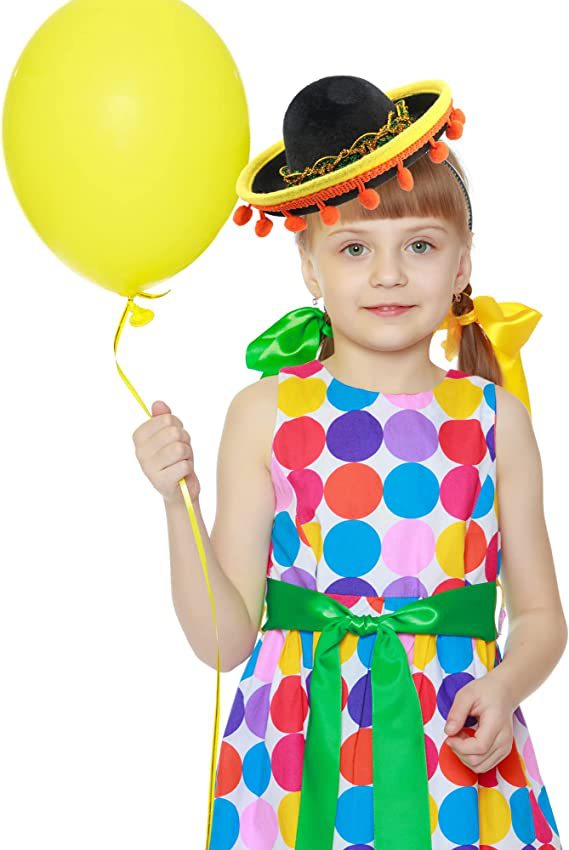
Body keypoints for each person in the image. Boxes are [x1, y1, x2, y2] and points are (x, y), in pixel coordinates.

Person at [132, 75, 566, 850]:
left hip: (454, 756)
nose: (388, 274)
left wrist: (502, 687)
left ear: (461, 265)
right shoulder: (264, 413)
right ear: (309, 266)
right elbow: (224, 642)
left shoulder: (496, 419)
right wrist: (176, 503)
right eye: (354, 248)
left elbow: (538, 616)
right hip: (295, 755)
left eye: (420, 246)